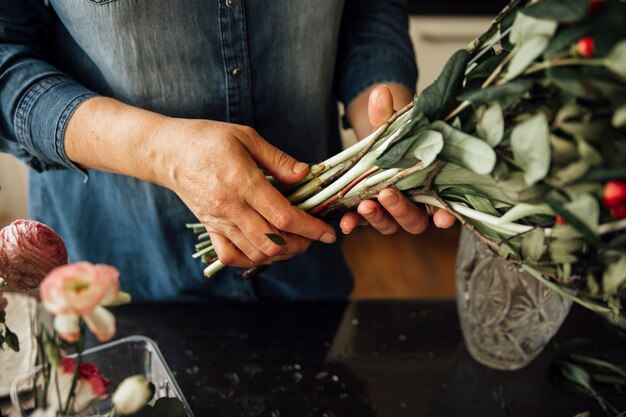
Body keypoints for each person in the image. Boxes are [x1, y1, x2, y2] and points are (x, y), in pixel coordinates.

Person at [0, 0, 454, 301]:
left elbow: (369, 9)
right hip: (116, 278)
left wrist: (385, 127)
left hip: (309, 272)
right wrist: (163, 153)